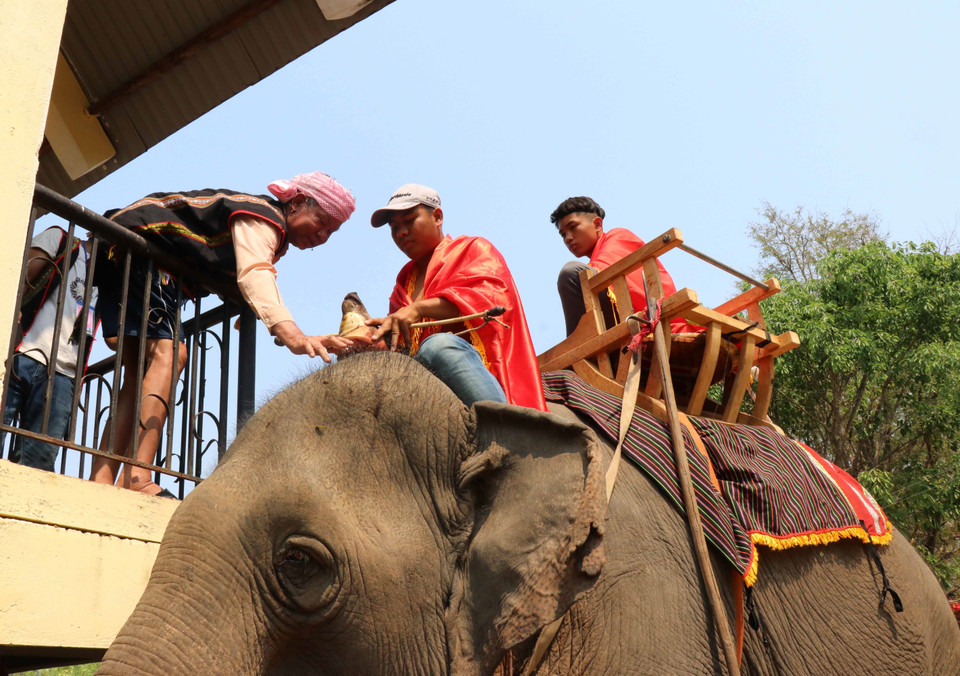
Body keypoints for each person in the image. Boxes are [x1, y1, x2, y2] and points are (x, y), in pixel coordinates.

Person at [90, 171, 356, 497]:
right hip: (142, 247)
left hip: (126, 248)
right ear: (298, 202)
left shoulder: (268, 227)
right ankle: (137, 477)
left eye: (332, 231)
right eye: (322, 222)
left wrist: (262, 317)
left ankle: (102, 479)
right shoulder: (265, 218)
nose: (323, 235)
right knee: (170, 354)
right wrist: (296, 337)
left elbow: (246, 280)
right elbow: (255, 274)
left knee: (139, 374)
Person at [367, 184, 546, 411]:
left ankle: (502, 423)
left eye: (410, 221)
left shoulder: (474, 249)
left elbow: (493, 302)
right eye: (394, 227)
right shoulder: (402, 283)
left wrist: (419, 309)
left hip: (482, 371)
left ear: (437, 217)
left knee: (438, 346)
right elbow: (401, 347)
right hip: (426, 387)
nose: (401, 232)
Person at [3, 226, 97, 472]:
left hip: (63, 376)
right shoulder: (61, 240)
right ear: (93, 233)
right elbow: (17, 279)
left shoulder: (112, 281)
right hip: (22, 353)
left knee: (37, 464)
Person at [551, 196, 700, 336]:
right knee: (580, 278)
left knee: (572, 273)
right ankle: (579, 343)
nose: (568, 238)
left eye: (573, 227)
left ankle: (577, 345)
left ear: (597, 224)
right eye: (563, 235)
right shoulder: (594, 261)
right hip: (629, 322)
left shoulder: (617, 236)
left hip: (656, 323)